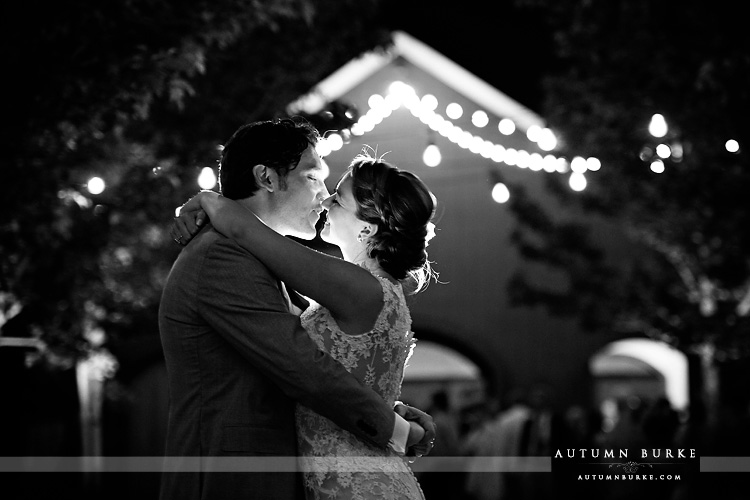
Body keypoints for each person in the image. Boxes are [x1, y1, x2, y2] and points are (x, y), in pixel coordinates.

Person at [160, 117, 434, 500]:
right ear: (268, 178)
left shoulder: (259, 258)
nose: (323, 195)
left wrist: (386, 404)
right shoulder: (222, 256)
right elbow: (302, 367)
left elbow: (317, 364)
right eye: (313, 177)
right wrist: (393, 426)